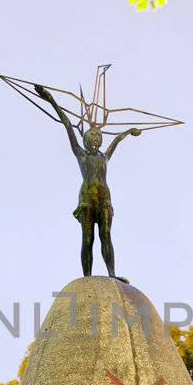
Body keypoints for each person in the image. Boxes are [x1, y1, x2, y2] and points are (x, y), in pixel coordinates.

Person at [35, 83, 141, 278]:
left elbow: (116, 140)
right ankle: (87, 277)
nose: (95, 139)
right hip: (86, 199)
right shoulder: (80, 154)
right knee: (88, 238)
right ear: (84, 139)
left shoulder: (104, 157)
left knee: (106, 235)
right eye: (91, 136)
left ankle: (112, 273)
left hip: (104, 198)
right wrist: (50, 99)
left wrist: (129, 131)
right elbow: (67, 123)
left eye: (98, 137)